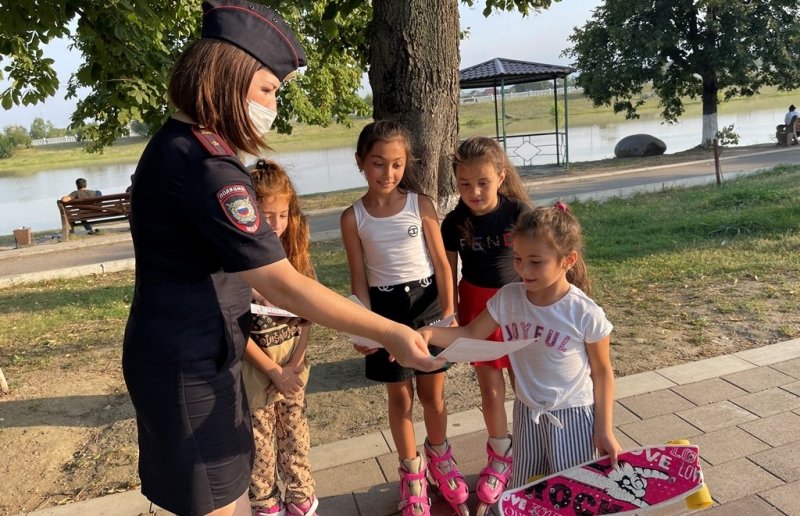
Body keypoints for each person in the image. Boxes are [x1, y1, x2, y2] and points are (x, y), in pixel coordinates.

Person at [122, 3, 443, 516]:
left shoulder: (174, 145)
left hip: (181, 352)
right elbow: (282, 283)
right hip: (192, 365)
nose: (272, 104)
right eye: (268, 89)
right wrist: (391, 332)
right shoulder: (211, 169)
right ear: (230, 76)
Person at [420, 202, 621, 492]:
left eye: (535, 261)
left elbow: (602, 373)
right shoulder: (509, 299)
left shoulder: (584, 313)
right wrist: (425, 334)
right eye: (517, 258)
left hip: (573, 417)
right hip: (527, 415)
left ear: (568, 259)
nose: (523, 269)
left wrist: (604, 430)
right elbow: (471, 333)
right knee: (529, 491)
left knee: (573, 494)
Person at [339, 120, 467, 516]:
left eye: (396, 164)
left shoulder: (420, 204)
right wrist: (363, 325)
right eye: (378, 163)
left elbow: (444, 266)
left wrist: (449, 314)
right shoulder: (353, 217)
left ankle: (441, 459)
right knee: (400, 397)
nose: (388, 173)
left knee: (433, 394)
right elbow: (359, 280)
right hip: (384, 312)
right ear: (361, 162)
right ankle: (412, 474)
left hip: (428, 306)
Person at [439, 136, 530, 514]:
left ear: (500, 176)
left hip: (522, 305)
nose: (473, 192)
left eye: (483, 183)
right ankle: (500, 456)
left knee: (525, 384)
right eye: (464, 184)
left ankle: (533, 448)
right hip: (478, 307)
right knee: (491, 391)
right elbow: (448, 269)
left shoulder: (519, 212)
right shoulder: (454, 222)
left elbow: (541, 256)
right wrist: (451, 311)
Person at [241, 160, 318, 516]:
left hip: (293, 368)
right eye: (266, 215)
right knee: (260, 447)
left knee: (296, 439)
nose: (275, 225)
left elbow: (308, 315)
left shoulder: (296, 255)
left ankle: (302, 501)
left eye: (283, 215)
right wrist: (273, 370)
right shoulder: (237, 263)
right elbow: (234, 330)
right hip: (256, 372)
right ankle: (265, 505)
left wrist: (295, 363)